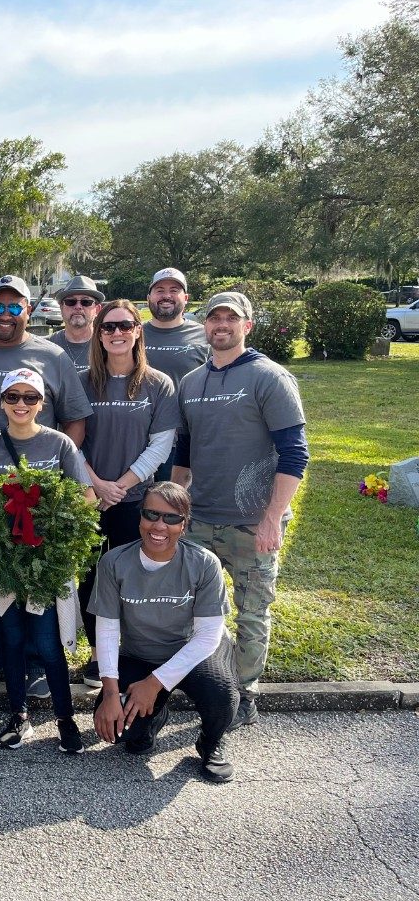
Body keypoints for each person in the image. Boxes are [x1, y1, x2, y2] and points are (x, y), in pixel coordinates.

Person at [0, 274, 92, 687]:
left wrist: (61, 486)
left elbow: (74, 421)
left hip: (42, 497)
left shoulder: (52, 355)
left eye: (16, 307)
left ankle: (33, 658)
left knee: (35, 577)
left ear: (28, 310)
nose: (6, 315)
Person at [173, 291, 308, 730]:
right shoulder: (192, 383)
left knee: (252, 612)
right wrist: (174, 505)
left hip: (252, 525)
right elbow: (185, 450)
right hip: (200, 520)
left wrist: (271, 518)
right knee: (193, 610)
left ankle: (244, 693)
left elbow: (295, 454)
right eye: (214, 318)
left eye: (232, 318)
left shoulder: (270, 377)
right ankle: (211, 680)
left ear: (247, 326)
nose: (222, 325)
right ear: (205, 325)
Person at [0, 368, 94, 755]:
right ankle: (18, 713)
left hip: (44, 564)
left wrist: (48, 521)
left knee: (47, 642)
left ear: (42, 403)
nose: (21, 404)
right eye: (13, 397)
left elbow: (85, 498)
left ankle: (65, 717)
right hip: (4, 564)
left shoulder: (59, 446)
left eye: (30, 397)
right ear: (1, 402)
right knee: (12, 639)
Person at [90, 482, 238, 783]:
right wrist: (108, 694)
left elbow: (208, 636)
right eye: (151, 515)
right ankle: (153, 717)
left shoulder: (204, 563)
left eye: (171, 518)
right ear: (140, 517)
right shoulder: (114, 562)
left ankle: (210, 743)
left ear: (184, 525)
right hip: (139, 653)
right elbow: (106, 630)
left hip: (194, 651)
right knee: (117, 731)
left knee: (222, 693)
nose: (159, 525)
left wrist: (154, 683)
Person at [76, 300, 179, 687]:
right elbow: (71, 443)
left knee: (127, 575)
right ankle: (97, 653)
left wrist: (121, 485)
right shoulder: (83, 382)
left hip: (133, 499)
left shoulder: (158, 383)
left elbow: (160, 444)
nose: (116, 333)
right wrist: (96, 484)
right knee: (89, 574)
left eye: (124, 326)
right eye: (108, 327)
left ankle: (130, 651)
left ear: (138, 331)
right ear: (99, 334)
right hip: (87, 497)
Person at [141, 268, 208, 480]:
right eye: (159, 290)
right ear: (149, 297)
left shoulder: (204, 336)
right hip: (137, 439)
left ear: (185, 298)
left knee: (173, 506)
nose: (166, 295)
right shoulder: (130, 333)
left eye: (174, 290)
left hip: (184, 441)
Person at [47, 275, 105, 372]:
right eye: (70, 301)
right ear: (61, 308)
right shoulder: (46, 346)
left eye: (86, 302)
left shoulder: (109, 345)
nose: (78, 307)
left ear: (97, 310)